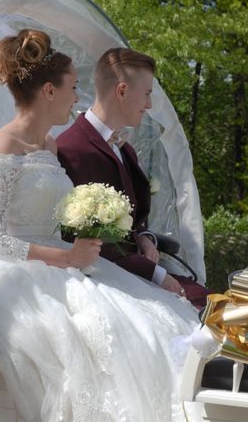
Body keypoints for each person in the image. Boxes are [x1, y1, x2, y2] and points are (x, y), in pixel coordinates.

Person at [0, 29, 199, 422]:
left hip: (68, 263)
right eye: (72, 88)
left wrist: (94, 227)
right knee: (104, 329)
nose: (77, 98)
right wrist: (66, 258)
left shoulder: (50, 147)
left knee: (154, 316)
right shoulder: (0, 148)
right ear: (49, 91)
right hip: (19, 272)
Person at [56, 47, 211, 308]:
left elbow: (133, 222)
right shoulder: (72, 149)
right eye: (147, 94)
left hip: (137, 274)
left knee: (223, 306)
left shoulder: (124, 149)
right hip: (107, 286)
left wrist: (145, 237)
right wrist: (157, 275)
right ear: (122, 91)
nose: (149, 105)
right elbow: (83, 242)